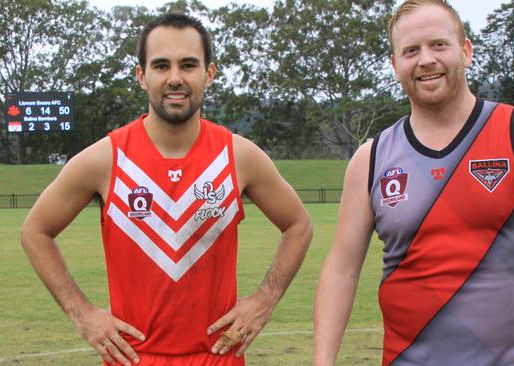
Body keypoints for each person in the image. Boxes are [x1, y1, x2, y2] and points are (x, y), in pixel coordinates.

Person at [313, 1, 514, 365]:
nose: (426, 60)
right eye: (411, 51)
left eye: (439, 45)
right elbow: (341, 269)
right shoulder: (369, 160)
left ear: (465, 51)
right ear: (395, 65)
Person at [21, 13, 313, 366]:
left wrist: (265, 299)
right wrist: (83, 314)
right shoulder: (105, 160)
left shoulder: (238, 157)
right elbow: (35, 231)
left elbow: (299, 224)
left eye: (188, 65)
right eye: (161, 66)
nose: (175, 78)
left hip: (217, 357)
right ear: (142, 76)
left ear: (209, 73)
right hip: (133, 358)